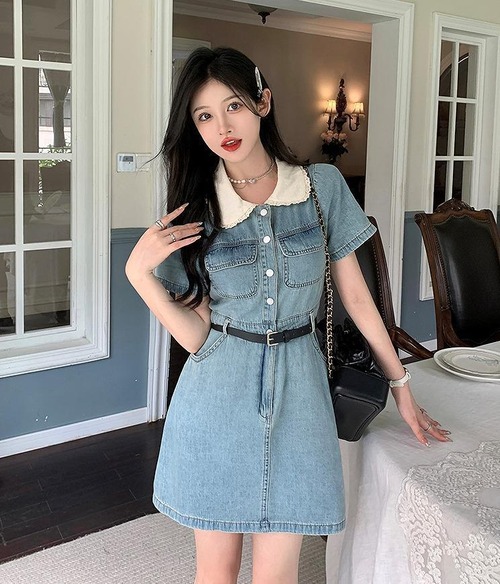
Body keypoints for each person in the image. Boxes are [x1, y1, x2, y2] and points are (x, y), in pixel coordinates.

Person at [126, 47, 450, 584]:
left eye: (233, 106)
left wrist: (402, 387)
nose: (222, 127)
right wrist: (139, 276)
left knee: (279, 576)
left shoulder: (322, 187)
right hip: (216, 400)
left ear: (263, 102)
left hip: (301, 396)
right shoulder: (196, 209)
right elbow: (199, 338)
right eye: (204, 115)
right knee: (216, 573)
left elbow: (358, 298)